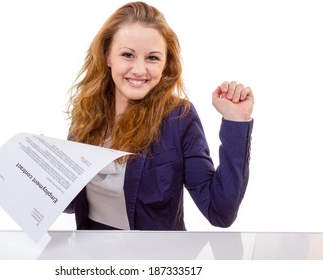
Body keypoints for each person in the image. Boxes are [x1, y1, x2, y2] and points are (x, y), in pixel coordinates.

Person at [65, 1, 254, 230]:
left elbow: (220, 212)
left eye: (152, 58)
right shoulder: (87, 112)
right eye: (127, 55)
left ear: (166, 64)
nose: (139, 70)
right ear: (107, 57)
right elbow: (71, 203)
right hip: (92, 257)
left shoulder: (178, 118)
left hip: (155, 260)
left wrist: (236, 122)